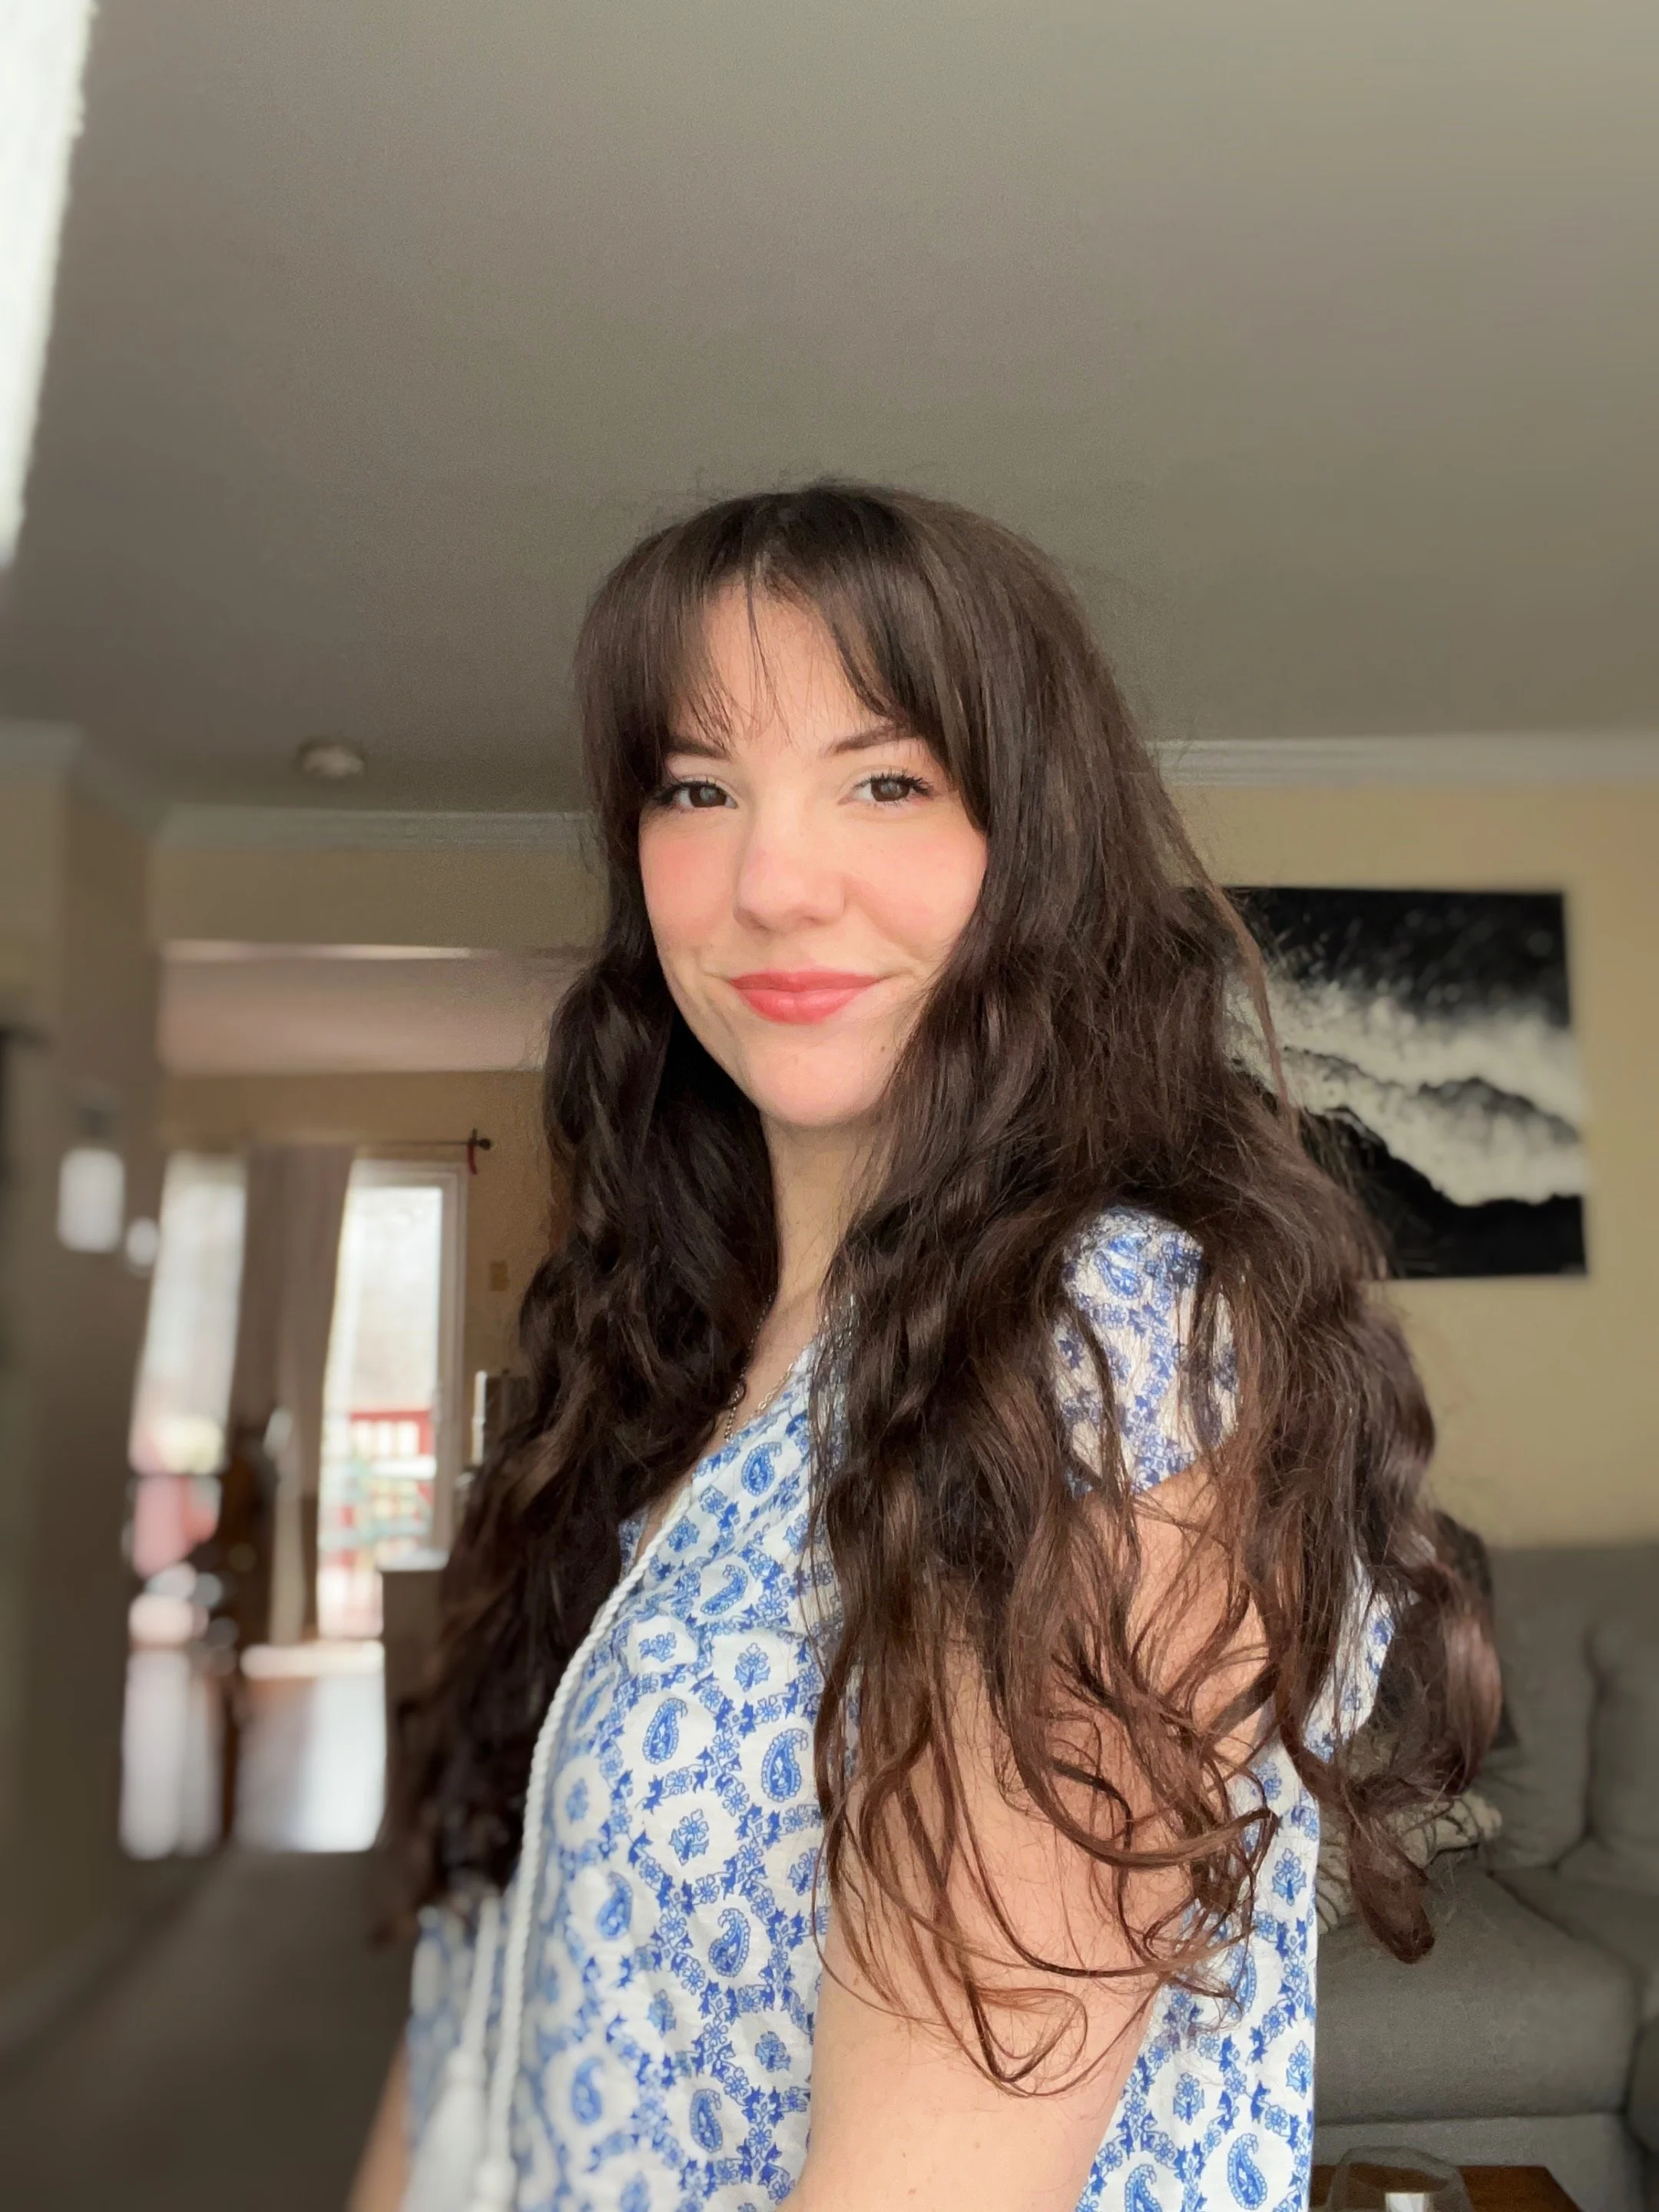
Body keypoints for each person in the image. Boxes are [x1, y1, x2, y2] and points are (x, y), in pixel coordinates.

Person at [350, 485, 1495, 2212]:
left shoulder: (1107, 1348)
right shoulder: (669, 1355)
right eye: (695, 787)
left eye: (884, 779)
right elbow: (481, 2015)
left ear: (1034, 846)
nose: (772, 879)